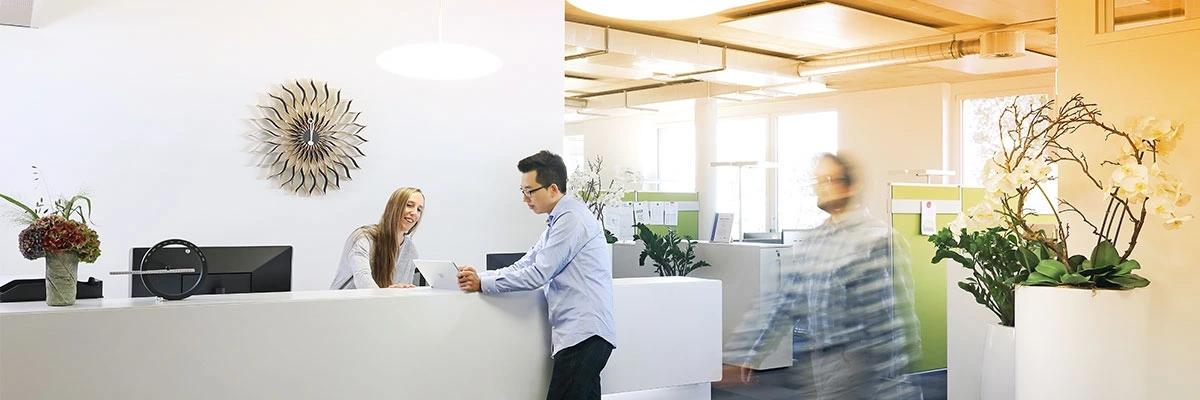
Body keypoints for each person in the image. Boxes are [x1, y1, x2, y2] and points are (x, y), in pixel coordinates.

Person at [721, 153, 922, 400]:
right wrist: (749, 353)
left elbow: (892, 322)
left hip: (861, 369)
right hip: (818, 366)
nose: (820, 187)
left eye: (828, 179)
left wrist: (895, 387)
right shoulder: (817, 240)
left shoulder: (875, 239)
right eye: (817, 180)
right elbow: (784, 301)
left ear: (851, 186)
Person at [456, 150, 617, 400]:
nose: (525, 199)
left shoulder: (571, 219)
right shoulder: (558, 221)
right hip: (581, 336)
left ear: (552, 189)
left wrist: (483, 284)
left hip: (584, 335)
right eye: (522, 191)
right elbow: (525, 264)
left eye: (529, 191)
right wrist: (479, 276)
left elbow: (537, 274)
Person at [330, 187, 425, 290]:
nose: (415, 213)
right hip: (346, 299)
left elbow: (403, 290)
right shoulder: (365, 238)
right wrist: (385, 294)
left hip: (382, 300)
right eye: (409, 205)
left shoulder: (410, 250)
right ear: (393, 207)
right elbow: (362, 279)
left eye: (419, 209)